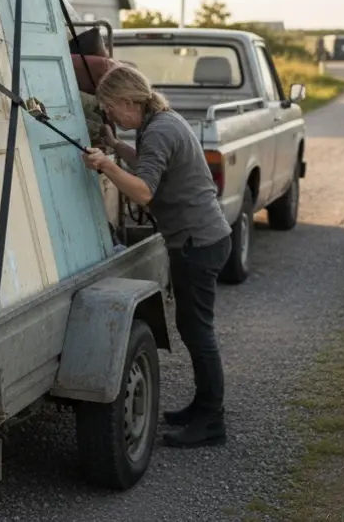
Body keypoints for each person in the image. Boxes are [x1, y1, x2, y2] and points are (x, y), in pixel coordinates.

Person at [81, 64, 233, 448]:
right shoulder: (158, 123)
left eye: (111, 107)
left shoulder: (161, 129)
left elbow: (145, 191)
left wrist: (106, 164)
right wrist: (116, 148)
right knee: (193, 328)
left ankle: (211, 421)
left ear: (130, 100)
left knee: (198, 333)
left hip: (198, 242)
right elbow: (150, 164)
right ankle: (203, 407)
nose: (110, 115)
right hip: (200, 239)